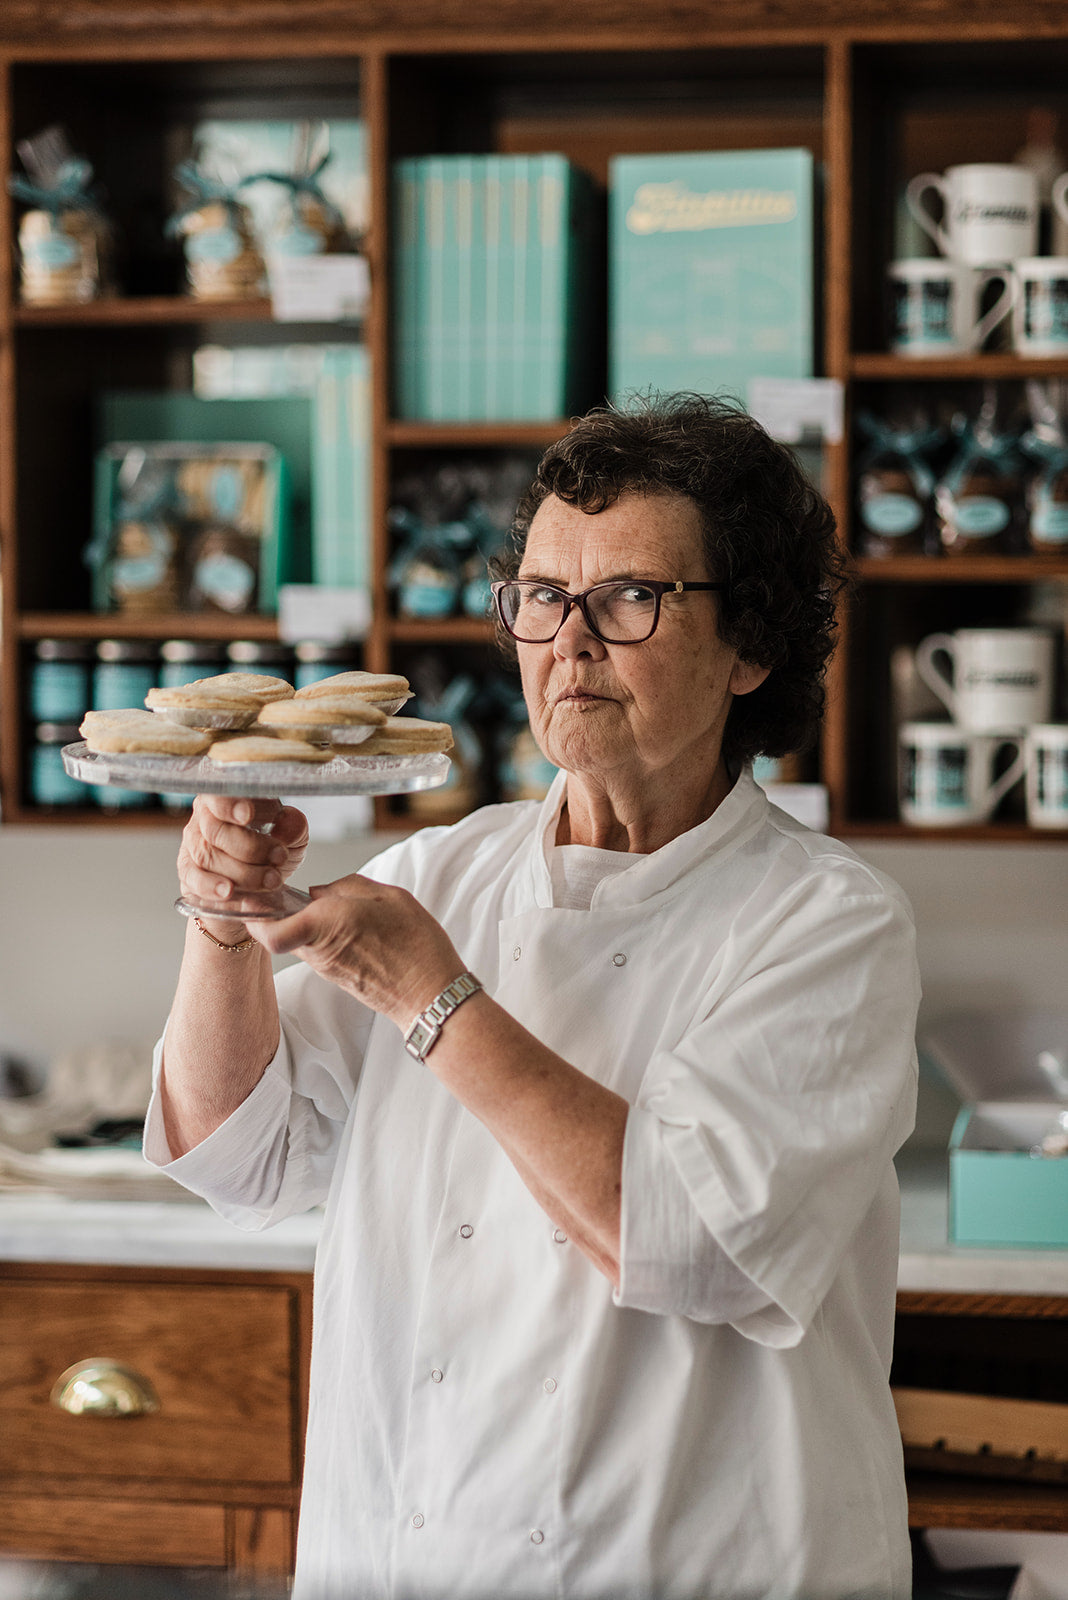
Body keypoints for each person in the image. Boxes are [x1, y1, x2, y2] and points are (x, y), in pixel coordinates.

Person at [146, 393, 921, 1600]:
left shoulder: (828, 922)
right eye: (544, 597)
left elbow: (695, 1241)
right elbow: (232, 1154)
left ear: (752, 644)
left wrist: (428, 990)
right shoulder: (435, 872)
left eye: (629, 598)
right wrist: (222, 924)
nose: (570, 640)